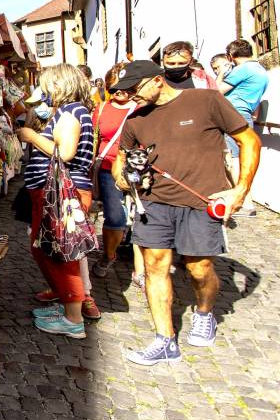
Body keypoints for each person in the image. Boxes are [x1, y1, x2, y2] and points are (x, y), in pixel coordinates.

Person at [111, 61, 261, 365]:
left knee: (198, 268)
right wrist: (122, 178)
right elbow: (120, 159)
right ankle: (164, 339)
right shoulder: (135, 119)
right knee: (154, 267)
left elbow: (249, 141)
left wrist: (241, 190)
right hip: (153, 203)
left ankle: (204, 313)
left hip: (200, 201)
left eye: (133, 88)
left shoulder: (205, 100)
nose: (128, 95)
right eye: (123, 91)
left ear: (157, 81)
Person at [17, 64, 97, 338]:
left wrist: (31, 137)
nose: (44, 91)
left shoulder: (71, 112)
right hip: (53, 190)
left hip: (61, 192)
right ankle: (67, 307)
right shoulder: (70, 111)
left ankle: (73, 318)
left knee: (61, 253)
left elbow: (65, 152)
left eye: (47, 85)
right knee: (45, 248)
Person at [92, 63, 138, 280]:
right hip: (109, 167)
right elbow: (93, 137)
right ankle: (109, 254)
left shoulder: (142, 107)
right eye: (115, 87)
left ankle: (143, 266)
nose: (120, 91)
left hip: (139, 167)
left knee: (145, 217)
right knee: (115, 216)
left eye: (126, 86)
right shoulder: (102, 109)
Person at [215, 39, 269, 186]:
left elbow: (216, 92)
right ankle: (245, 198)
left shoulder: (242, 70)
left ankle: (240, 198)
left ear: (231, 55)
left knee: (232, 157)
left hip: (232, 114)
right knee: (244, 156)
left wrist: (220, 73)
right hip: (246, 114)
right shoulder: (261, 70)